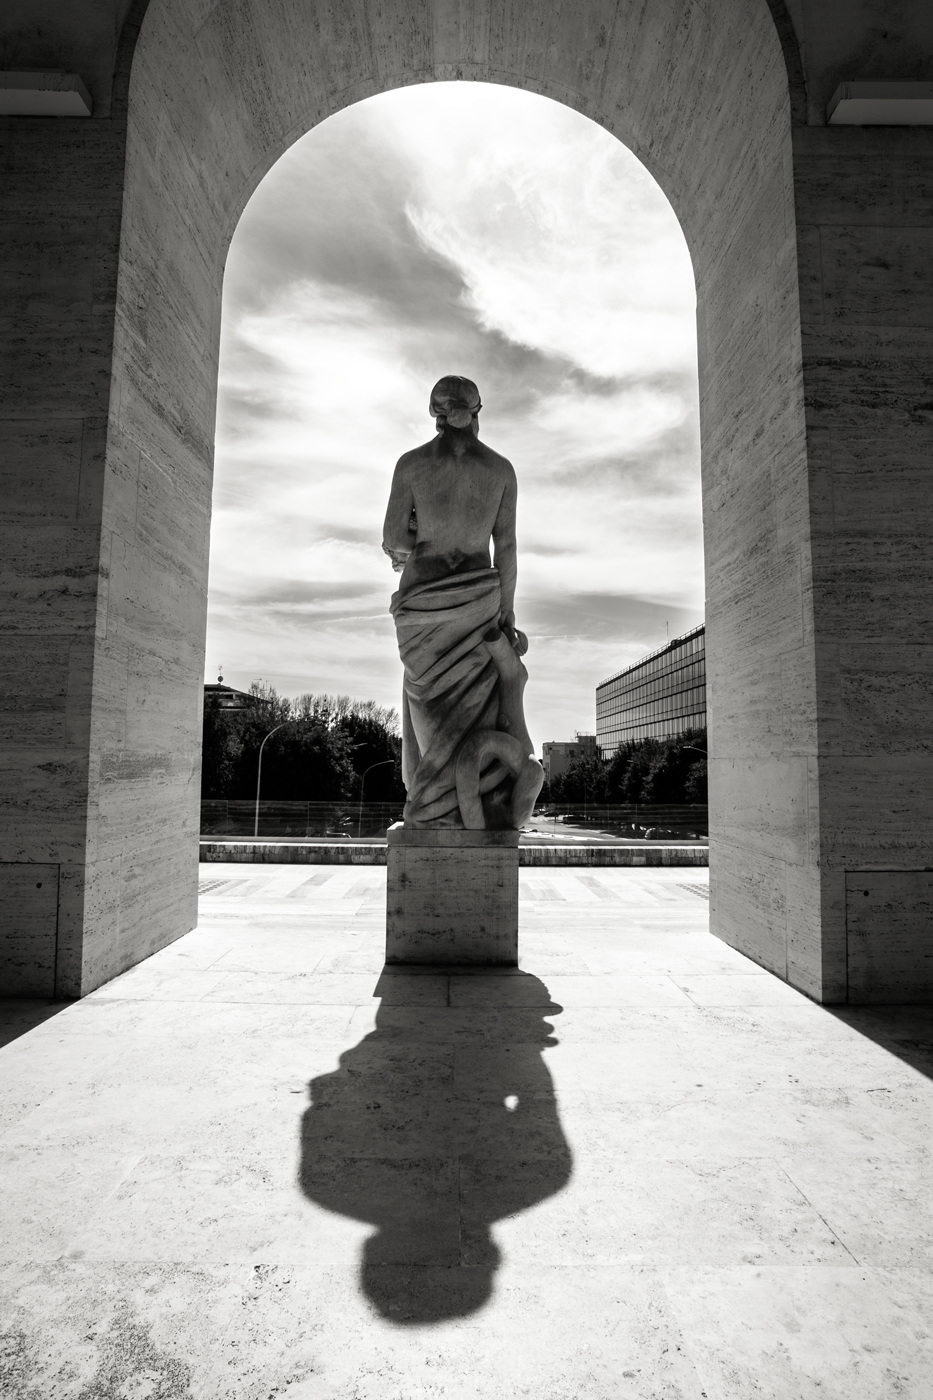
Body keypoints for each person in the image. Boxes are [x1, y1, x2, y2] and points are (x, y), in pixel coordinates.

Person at [383, 376, 543, 828]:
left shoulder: (411, 465)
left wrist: (420, 530)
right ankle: (477, 802)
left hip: (422, 607)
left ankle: (432, 808)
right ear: (476, 413)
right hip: (480, 604)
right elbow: (506, 548)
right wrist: (506, 612)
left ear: (436, 414)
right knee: (477, 710)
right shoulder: (500, 470)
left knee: (426, 711)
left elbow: (394, 537)